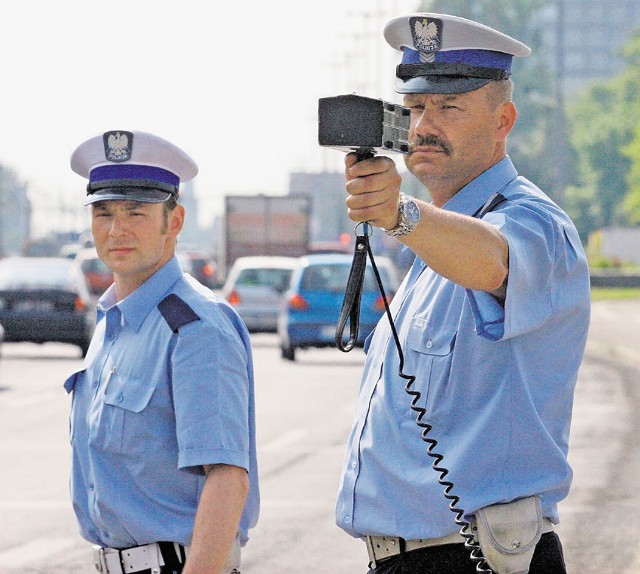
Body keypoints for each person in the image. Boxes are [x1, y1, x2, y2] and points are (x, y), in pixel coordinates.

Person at [334, 13, 591, 574]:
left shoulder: (534, 223)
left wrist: (399, 215)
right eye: (416, 106)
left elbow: (494, 259)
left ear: (503, 120)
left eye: (449, 108)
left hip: (478, 557)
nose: (425, 125)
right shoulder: (432, 243)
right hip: (411, 558)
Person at [64, 130, 259, 574]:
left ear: (173, 221)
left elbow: (227, 479)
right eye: (104, 211)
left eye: (136, 211)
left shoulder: (195, 326)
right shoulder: (112, 324)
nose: (117, 229)